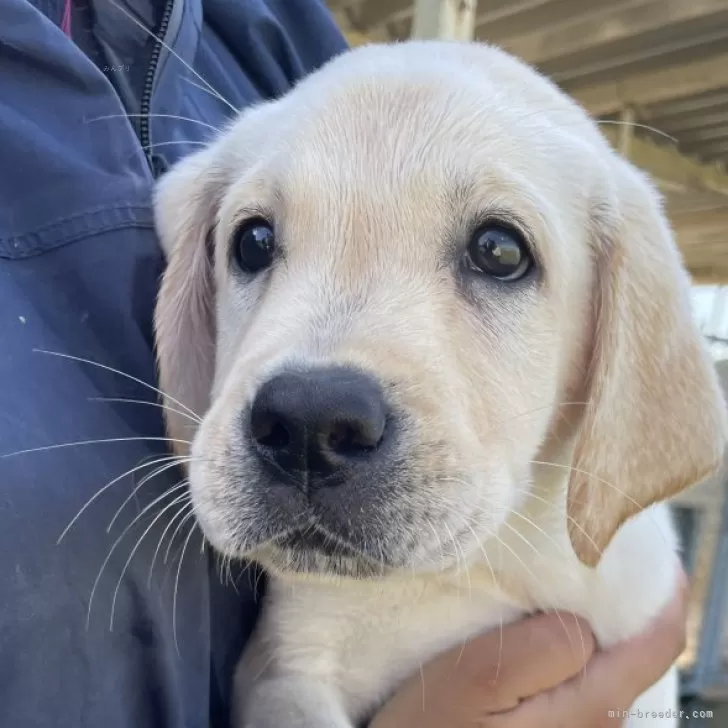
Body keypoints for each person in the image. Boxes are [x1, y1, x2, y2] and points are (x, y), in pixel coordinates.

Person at [0, 0, 688, 726]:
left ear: (613, 331)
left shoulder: (265, 32)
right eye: (257, 244)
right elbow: (288, 680)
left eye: (497, 253)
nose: (311, 409)